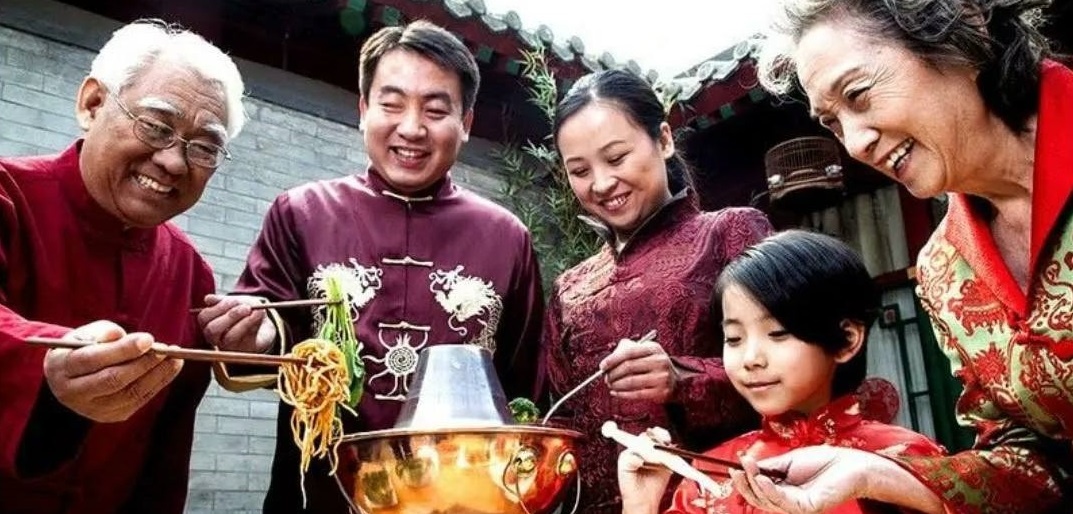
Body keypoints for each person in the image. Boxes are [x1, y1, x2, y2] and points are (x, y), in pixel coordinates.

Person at [726, 0, 1073, 512]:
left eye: (858, 94)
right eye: (833, 123)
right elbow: (1034, 463)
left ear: (959, 27)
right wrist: (874, 472)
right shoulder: (943, 272)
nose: (855, 144)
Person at [195, 20, 545, 514]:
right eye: (392, 103)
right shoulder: (302, 212)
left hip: (460, 500)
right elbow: (268, 319)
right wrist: (254, 333)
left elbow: (527, 390)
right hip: (319, 492)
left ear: (466, 122)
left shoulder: (507, 238)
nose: (411, 128)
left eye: (435, 109)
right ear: (363, 110)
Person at [0, 19, 246, 513]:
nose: (174, 162)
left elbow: (166, 454)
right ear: (92, 104)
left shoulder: (190, 273)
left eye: (204, 147)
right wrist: (47, 368)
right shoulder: (10, 195)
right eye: (156, 126)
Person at [541, 68, 773, 514]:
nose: (602, 183)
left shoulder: (729, 233)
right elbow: (564, 419)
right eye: (580, 171)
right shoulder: (569, 288)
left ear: (663, 139)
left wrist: (680, 378)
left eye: (616, 157)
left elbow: (795, 367)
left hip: (718, 501)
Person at [617, 230, 945, 514]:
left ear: (847, 339)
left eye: (777, 333)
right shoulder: (709, 474)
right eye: (734, 338)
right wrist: (641, 505)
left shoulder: (905, 461)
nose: (751, 358)